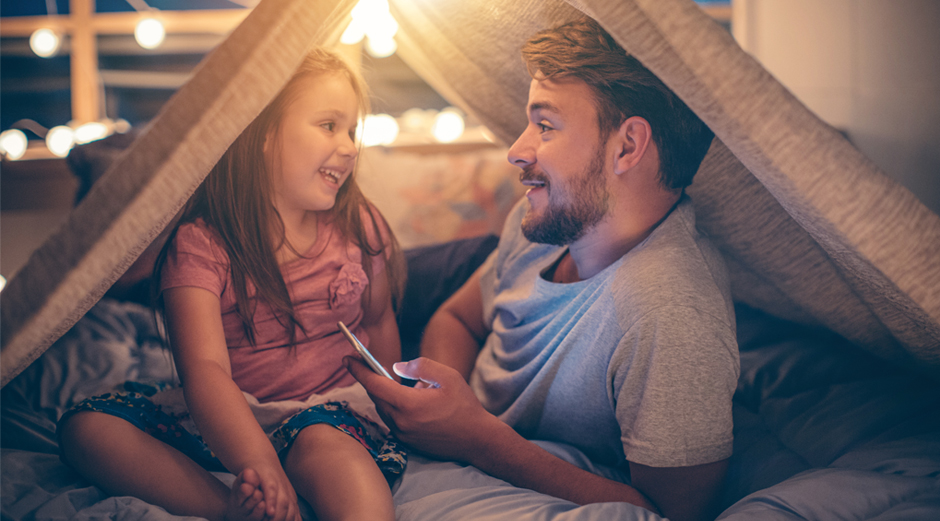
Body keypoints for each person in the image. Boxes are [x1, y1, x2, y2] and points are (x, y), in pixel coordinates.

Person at [347, 17, 738, 521]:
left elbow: (674, 513)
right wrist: (439, 396)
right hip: (466, 279)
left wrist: (475, 437)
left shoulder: (669, 313)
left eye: (545, 125)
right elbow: (459, 318)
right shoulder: (545, 222)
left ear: (627, 147)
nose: (516, 151)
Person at [57, 48, 407, 521]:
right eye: (329, 125)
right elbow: (204, 372)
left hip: (327, 413)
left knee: (337, 459)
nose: (348, 146)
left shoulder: (358, 225)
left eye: (352, 130)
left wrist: (394, 409)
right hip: (229, 417)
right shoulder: (200, 245)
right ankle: (234, 506)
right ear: (262, 133)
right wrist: (258, 463)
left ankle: (283, 491)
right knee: (86, 429)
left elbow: (379, 319)